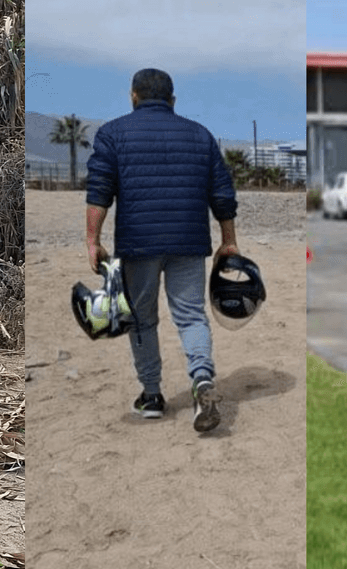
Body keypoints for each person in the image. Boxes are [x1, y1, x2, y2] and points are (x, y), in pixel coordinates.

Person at [84, 68, 238, 432]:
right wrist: (228, 239)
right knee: (191, 316)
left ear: (133, 96)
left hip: (138, 243)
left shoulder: (113, 133)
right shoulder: (200, 135)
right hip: (189, 241)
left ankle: (152, 395)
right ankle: (202, 379)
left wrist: (93, 240)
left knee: (142, 318)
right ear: (172, 100)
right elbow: (222, 192)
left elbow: (99, 190)